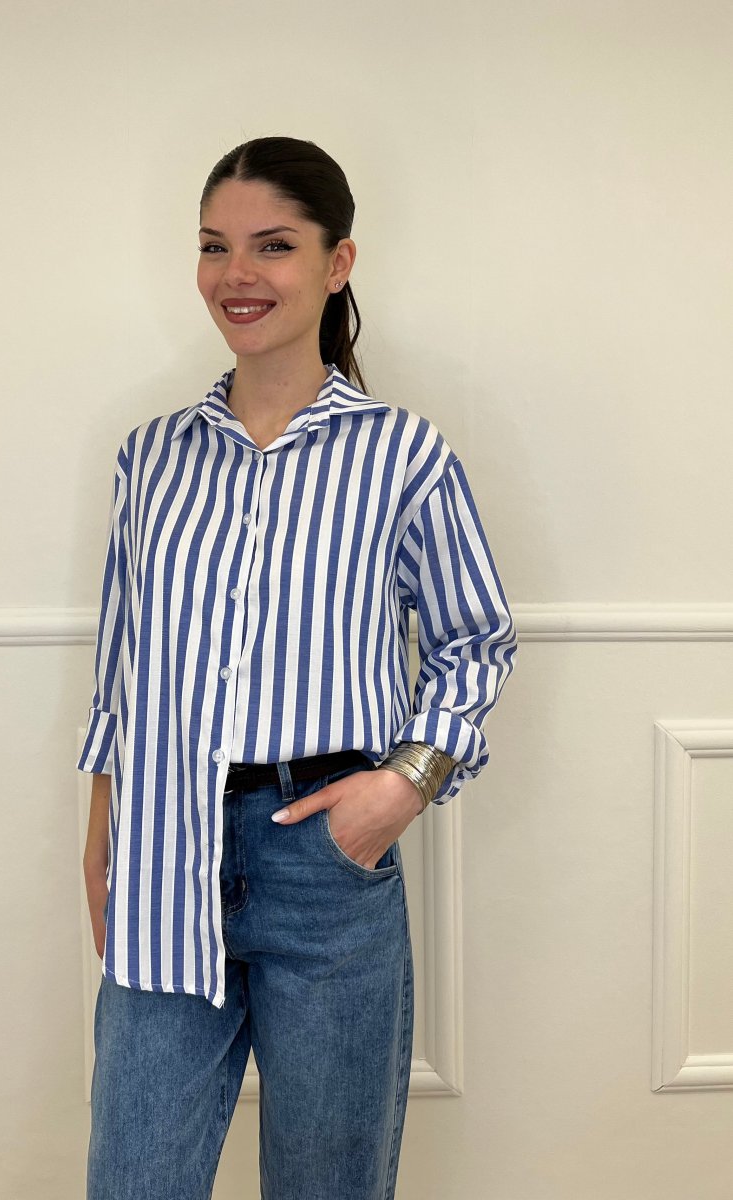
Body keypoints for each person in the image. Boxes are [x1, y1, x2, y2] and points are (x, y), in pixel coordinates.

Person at [78, 135, 517, 1200]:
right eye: (213, 246)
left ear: (337, 261)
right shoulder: (150, 456)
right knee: (134, 1178)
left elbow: (475, 639)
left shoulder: (404, 454)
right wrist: (100, 831)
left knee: (328, 1183)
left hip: (325, 863)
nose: (237, 274)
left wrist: (398, 788)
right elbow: (121, 661)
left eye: (272, 245)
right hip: (161, 853)